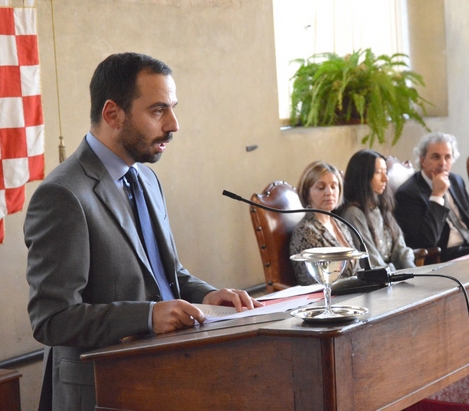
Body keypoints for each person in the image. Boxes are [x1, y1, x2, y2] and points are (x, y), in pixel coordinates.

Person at [24, 52, 262, 411]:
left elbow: (167, 276)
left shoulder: (146, 178)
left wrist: (208, 298)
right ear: (112, 114)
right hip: (101, 393)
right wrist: (147, 316)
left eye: (173, 108)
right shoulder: (63, 194)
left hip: (163, 379)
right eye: (158, 110)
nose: (174, 124)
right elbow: (52, 319)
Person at [394, 132, 469, 261]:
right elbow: (427, 241)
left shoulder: (456, 180)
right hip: (443, 255)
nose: (443, 163)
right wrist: (437, 195)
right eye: (436, 157)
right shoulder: (408, 193)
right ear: (423, 160)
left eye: (448, 157)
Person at [340, 149, 416, 271]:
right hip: (379, 282)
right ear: (363, 176)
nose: (385, 178)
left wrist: (413, 272)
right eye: (378, 172)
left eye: (385, 172)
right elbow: (372, 260)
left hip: (393, 275)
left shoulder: (381, 206)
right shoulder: (353, 213)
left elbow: (400, 249)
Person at [290, 161, 357, 285]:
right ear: (306, 193)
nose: (329, 192)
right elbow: (314, 282)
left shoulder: (340, 224)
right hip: (328, 299)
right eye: (321, 188)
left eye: (333, 186)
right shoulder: (305, 231)